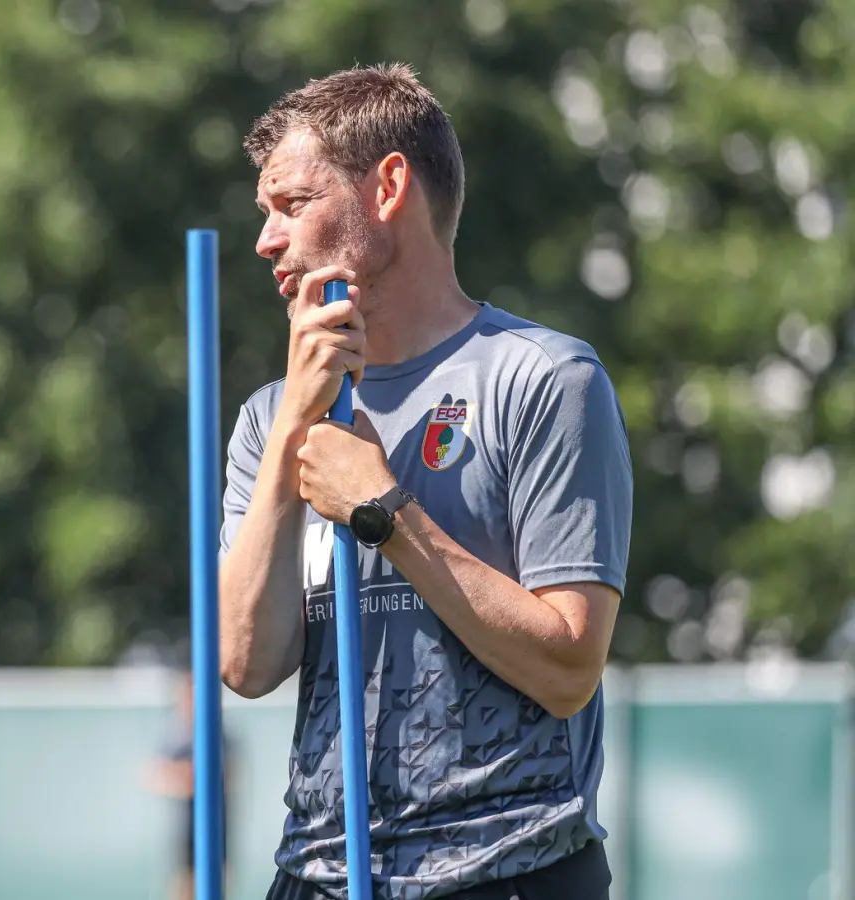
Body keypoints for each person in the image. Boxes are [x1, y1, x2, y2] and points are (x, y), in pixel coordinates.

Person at [218, 64, 633, 900]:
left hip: (508, 869)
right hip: (319, 874)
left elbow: (569, 668)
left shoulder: (546, 379)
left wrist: (381, 510)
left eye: (292, 204)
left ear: (390, 187)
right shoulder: (269, 418)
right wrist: (298, 428)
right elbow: (245, 662)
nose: (266, 239)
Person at [147, 665, 236, 900]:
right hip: (187, 828)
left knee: (219, 880)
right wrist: (186, 779)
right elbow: (155, 774)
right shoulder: (177, 736)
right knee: (185, 883)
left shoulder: (220, 734)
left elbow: (229, 775)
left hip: (218, 825)